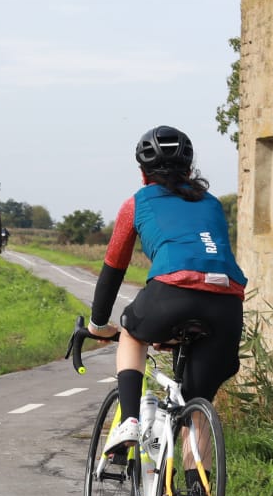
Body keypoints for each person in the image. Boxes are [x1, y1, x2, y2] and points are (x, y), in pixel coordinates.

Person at [87, 125, 247, 456]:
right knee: (194, 407)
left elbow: (114, 268)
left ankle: (129, 420)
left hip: (172, 292)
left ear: (143, 173)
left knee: (132, 333)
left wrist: (98, 325)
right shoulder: (213, 204)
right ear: (189, 169)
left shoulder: (137, 202)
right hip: (228, 305)